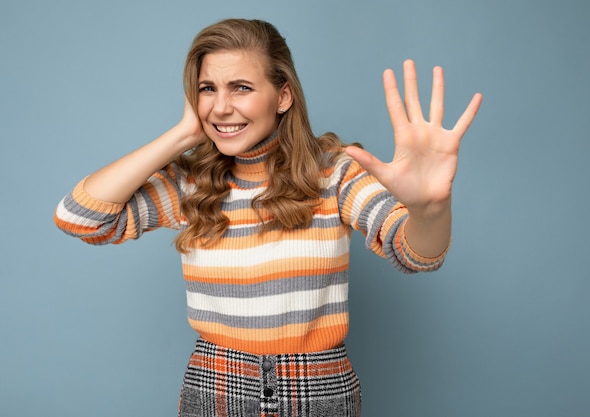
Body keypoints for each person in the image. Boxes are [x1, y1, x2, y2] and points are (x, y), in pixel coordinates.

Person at [54, 18, 481, 417]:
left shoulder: (334, 173)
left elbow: (415, 255)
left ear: (283, 95)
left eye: (240, 87)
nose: (221, 107)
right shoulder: (192, 184)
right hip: (215, 390)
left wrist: (430, 209)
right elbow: (79, 218)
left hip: (322, 392)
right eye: (207, 89)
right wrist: (182, 135)